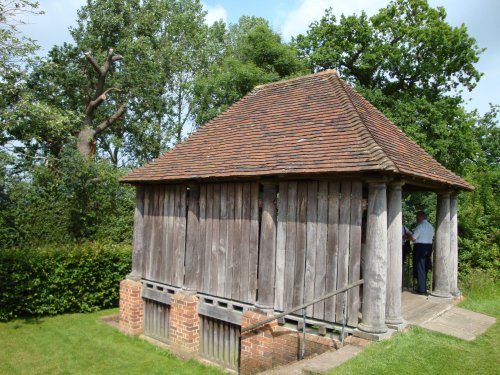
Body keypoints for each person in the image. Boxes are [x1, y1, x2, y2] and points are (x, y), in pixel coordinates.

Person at [411, 211, 435, 294]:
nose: (416, 218)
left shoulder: (420, 226)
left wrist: (409, 237)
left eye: (417, 217)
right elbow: (432, 236)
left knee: (420, 267)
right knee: (425, 267)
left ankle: (421, 289)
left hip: (420, 247)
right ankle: (423, 287)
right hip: (429, 247)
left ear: (421, 216)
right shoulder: (431, 226)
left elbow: (414, 238)